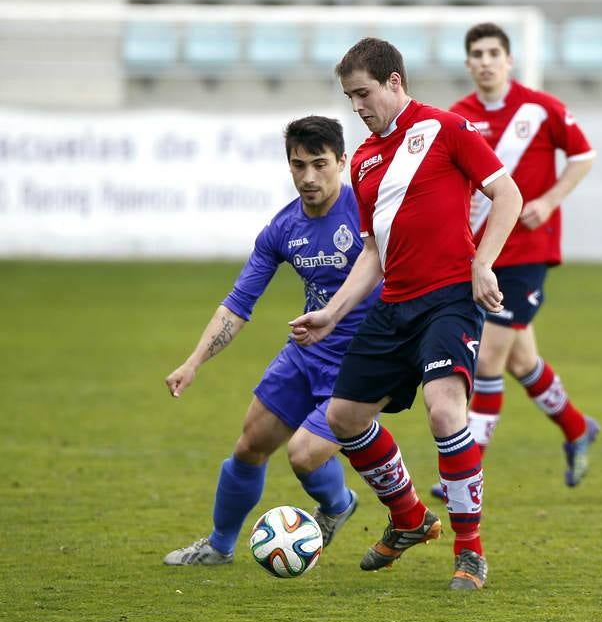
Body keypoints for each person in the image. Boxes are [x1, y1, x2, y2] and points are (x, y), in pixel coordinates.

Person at [289, 38, 522, 591]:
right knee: (344, 418)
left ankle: (470, 551)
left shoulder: (445, 129)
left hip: (449, 299)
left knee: (445, 412)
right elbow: (372, 252)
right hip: (394, 305)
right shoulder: (365, 161)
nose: (357, 106)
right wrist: (333, 311)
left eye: (364, 93)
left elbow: (507, 194)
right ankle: (411, 518)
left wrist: (482, 263)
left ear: (394, 81)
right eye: (349, 97)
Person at [163, 115, 376, 565]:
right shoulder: (282, 230)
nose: (308, 177)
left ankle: (336, 505)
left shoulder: (369, 215)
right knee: (249, 446)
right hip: (305, 355)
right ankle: (219, 547)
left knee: (303, 456)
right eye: (298, 166)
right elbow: (238, 304)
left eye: (320, 164)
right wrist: (193, 361)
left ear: (343, 161)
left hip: (362, 360)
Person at [430, 21, 598, 502]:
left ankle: (464, 469)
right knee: (521, 360)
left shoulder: (542, 109)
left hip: (527, 255)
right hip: (480, 255)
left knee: (487, 359)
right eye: (476, 54)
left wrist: (549, 200)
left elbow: (583, 156)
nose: (485, 61)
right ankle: (577, 427)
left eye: (493, 53)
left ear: (508, 60)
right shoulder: (456, 117)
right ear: (468, 64)